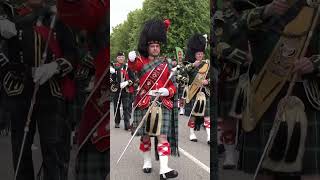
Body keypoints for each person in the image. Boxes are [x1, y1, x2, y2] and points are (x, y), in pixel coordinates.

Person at [235, 0, 320, 179]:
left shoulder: (314, 9)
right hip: (262, 97)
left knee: (291, 170)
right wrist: (267, 10)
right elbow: (237, 27)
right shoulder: (262, 9)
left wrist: (314, 63)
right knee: (264, 173)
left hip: (300, 96)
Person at [0, 0, 77, 179]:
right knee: (21, 148)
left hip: (50, 90)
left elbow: (72, 53)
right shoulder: (10, 14)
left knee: (53, 148)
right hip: (19, 89)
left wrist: (56, 67)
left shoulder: (58, 19)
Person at [128, 19, 179, 180]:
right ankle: (147, 161)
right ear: (147, 47)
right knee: (145, 136)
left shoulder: (167, 63)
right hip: (145, 102)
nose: (155, 48)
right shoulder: (141, 62)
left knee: (162, 136)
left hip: (162, 103)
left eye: (157, 46)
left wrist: (167, 90)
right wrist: (130, 60)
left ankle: (164, 169)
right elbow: (134, 67)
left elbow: (174, 86)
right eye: (152, 46)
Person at [180, 33, 211, 145]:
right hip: (193, 93)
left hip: (204, 93)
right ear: (195, 54)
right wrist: (192, 65)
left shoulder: (207, 64)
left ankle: (209, 136)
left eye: (201, 54)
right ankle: (192, 133)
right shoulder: (190, 64)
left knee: (207, 116)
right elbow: (181, 73)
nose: (200, 56)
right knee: (193, 116)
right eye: (198, 54)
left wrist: (207, 82)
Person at [111, 52, 134, 130]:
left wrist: (127, 82)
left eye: (122, 57)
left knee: (126, 107)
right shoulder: (113, 67)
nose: (121, 58)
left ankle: (127, 125)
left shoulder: (128, 67)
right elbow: (111, 79)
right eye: (119, 57)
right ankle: (117, 122)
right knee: (116, 106)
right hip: (116, 89)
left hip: (125, 89)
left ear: (124, 58)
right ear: (117, 58)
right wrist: (114, 79)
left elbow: (132, 79)